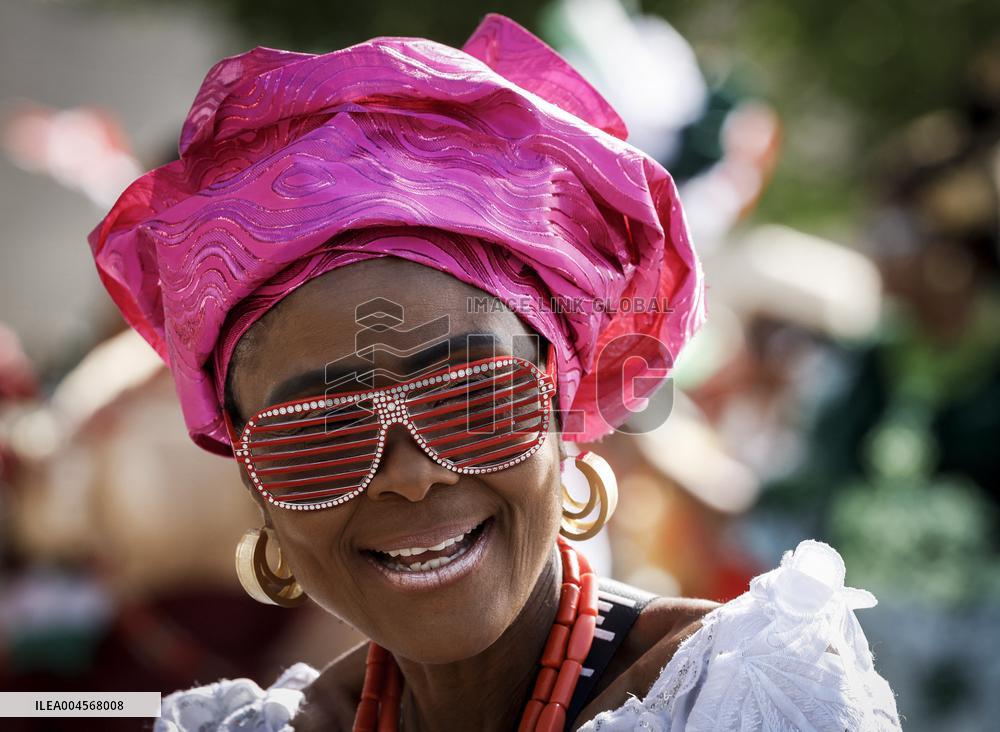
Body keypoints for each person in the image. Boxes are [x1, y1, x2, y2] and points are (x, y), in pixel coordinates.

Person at [86, 14, 901, 731]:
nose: (412, 476)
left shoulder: (739, 702)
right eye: (322, 433)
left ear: (561, 411)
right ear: (256, 485)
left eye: (475, 400)